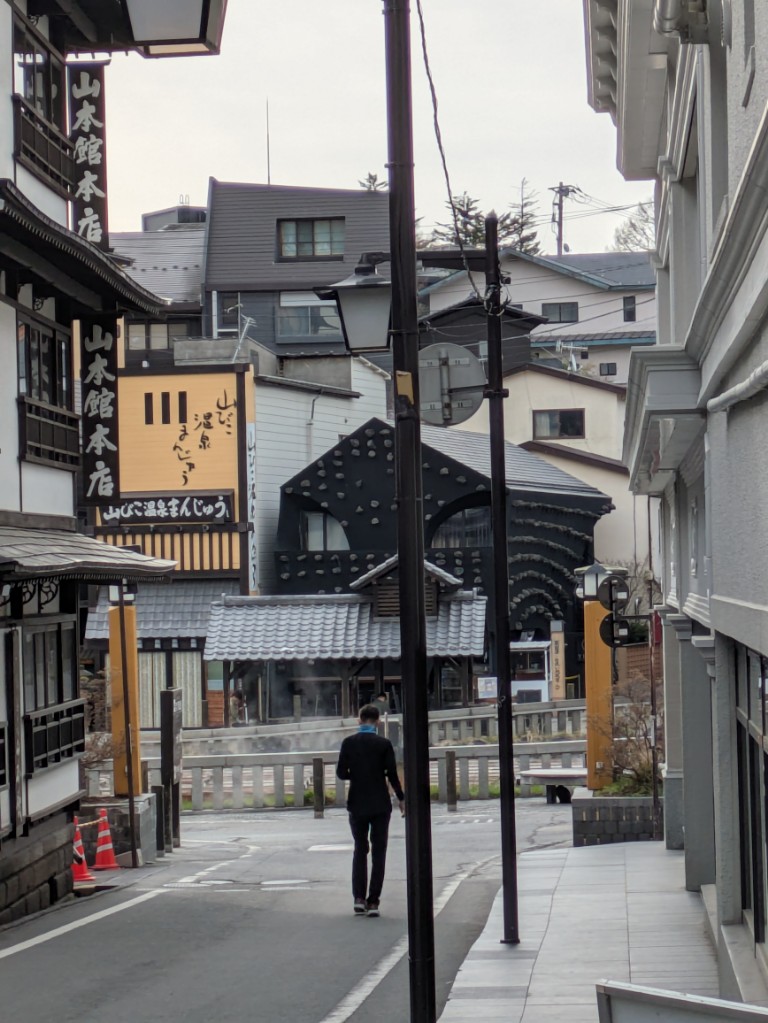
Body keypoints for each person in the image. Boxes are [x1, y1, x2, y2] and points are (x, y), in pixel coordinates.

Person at [336, 704, 405, 918]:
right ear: (378, 722)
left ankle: (358, 898)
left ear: (359, 720)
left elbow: (341, 773)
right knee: (379, 851)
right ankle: (373, 900)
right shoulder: (384, 744)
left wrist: (357, 774)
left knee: (360, 849)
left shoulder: (348, 743)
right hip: (380, 804)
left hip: (357, 802)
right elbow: (392, 774)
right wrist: (401, 798)